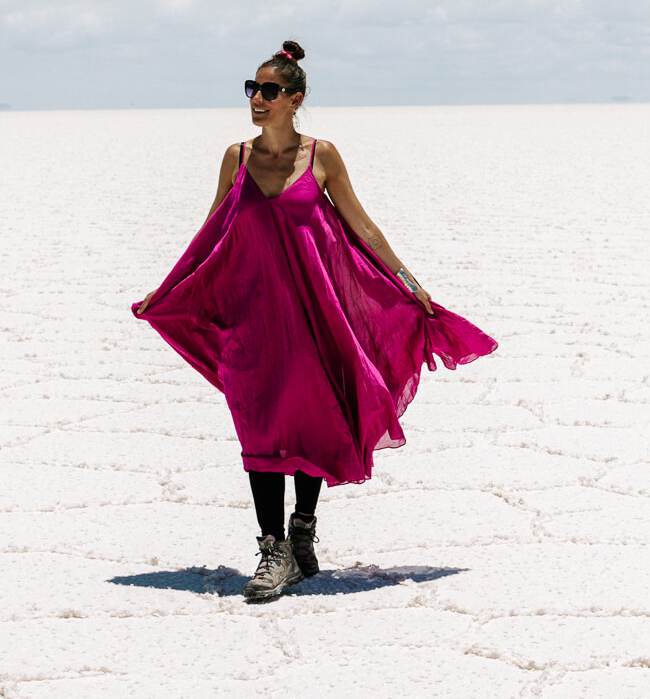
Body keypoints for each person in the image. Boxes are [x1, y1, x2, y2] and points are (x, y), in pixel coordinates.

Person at [132, 41, 497, 602]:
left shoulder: (321, 155)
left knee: (310, 419)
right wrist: (170, 286)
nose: (257, 99)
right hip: (253, 314)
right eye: (252, 89)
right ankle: (273, 549)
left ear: (295, 99)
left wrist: (414, 288)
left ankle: (301, 532)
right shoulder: (237, 157)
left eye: (269, 91)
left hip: (315, 311)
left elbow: (364, 229)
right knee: (259, 425)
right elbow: (211, 232)